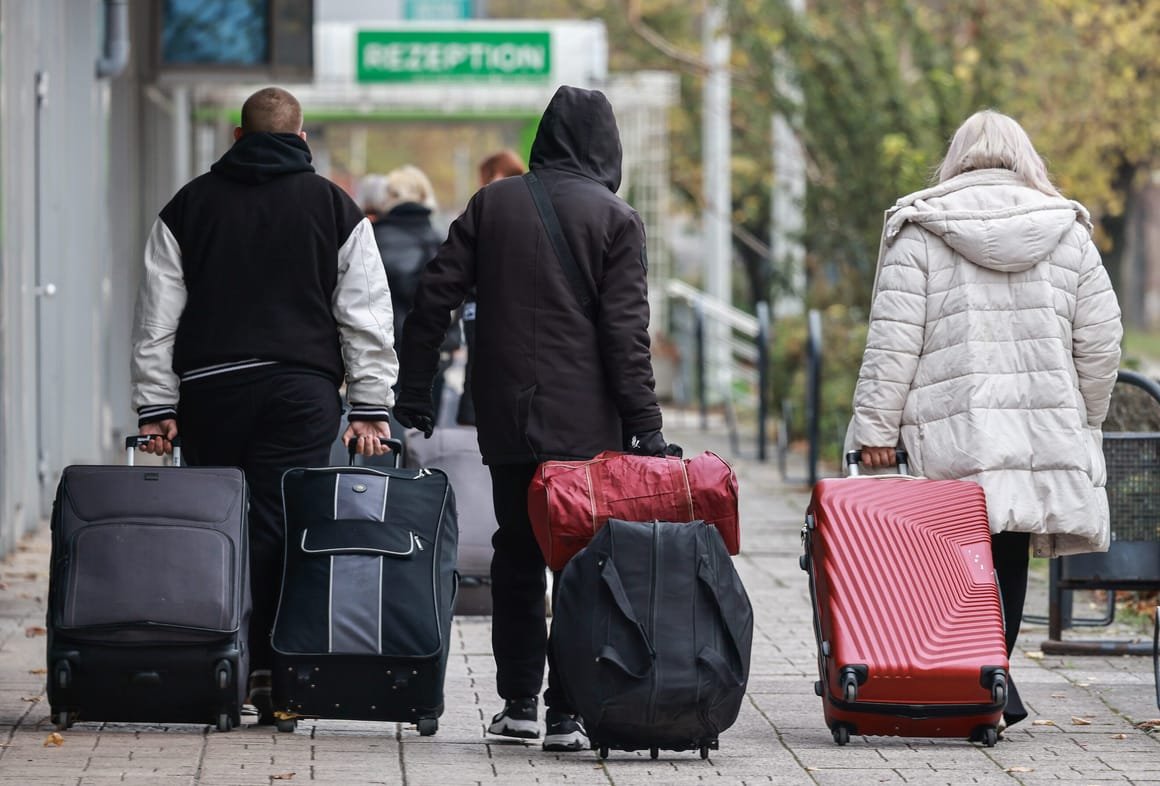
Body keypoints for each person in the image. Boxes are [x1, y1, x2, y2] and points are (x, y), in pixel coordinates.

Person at [393, 85, 679, 752]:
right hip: (586, 433)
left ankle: (518, 703)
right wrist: (647, 427)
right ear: (607, 147)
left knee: (517, 554)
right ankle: (568, 713)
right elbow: (624, 337)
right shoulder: (616, 218)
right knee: (582, 563)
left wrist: (413, 391)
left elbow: (433, 297)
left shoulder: (493, 204)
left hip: (508, 422)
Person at [848, 109, 1123, 733]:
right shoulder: (1068, 232)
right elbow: (1103, 343)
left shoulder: (920, 230)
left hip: (950, 431)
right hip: (1036, 432)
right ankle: (993, 680)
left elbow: (893, 346)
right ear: (1027, 159)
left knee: (949, 555)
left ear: (957, 158)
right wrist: (1082, 419)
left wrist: (874, 434)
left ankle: (966, 679)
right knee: (1009, 549)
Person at [130, 86, 397, 723]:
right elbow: (364, 316)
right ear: (301, 141)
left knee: (219, 523)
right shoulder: (336, 207)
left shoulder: (187, 206)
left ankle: (218, 663)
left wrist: (155, 407)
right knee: (281, 525)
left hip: (211, 390)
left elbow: (157, 320)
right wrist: (369, 405)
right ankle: (277, 675)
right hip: (300, 393)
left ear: (237, 139)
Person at [371, 164, 459, 424]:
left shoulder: (374, 237)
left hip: (385, 352)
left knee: (382, 440)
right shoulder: (441, 237)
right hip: (434, 352)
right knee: (424, 435)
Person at [456, 149, 528, 427]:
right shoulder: (534, 206)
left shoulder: (484, 207)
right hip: (520, 306)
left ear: (495, 175)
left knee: (479, 368)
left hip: (483, 303)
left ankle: (472, 421)